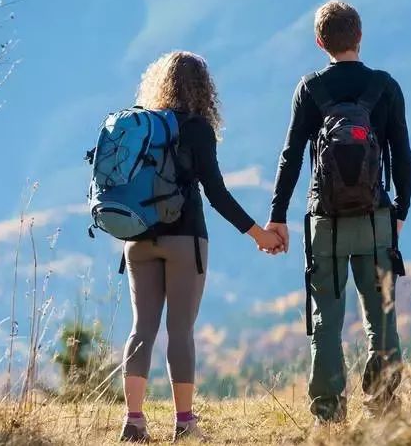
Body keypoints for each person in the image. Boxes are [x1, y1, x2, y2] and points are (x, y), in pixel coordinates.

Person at [119, 51, 286, 442]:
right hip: (184, 238)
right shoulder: (196, 130)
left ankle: (134, 420)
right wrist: (257, 233)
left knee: (141, 329)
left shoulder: (141, 127)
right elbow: (216, 192)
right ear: (203, 89)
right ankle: (184, 422)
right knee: (180, 331)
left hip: (137, 239)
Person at [266, 0, 411, 424]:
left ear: (319, 41)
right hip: (375, 218)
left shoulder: (310, 89)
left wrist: (277, 215)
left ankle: (329, 414)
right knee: (380, 314)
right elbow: (402, 155)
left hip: (325, 222)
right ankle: (383, 401)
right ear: (360, 36)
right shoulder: (385, 88)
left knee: (326, 320)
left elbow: (291, 155)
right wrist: (400, 209)